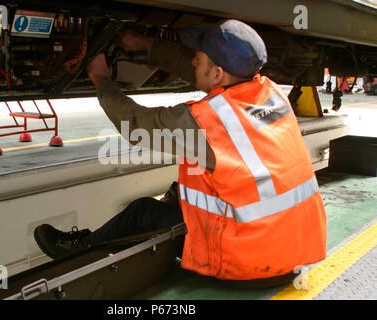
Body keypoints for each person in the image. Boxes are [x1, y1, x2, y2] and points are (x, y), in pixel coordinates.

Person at [34, 20, 327, 289]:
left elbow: (135, 123)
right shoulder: (269, 91)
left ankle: (77, 251)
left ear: (217, 73)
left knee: (143, 212)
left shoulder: (205, 122)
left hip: (248, 265)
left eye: (197, 57)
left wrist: (101, 81)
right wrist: (148, 46)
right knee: (180, 194)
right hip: (292, 256)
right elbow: (201, 75)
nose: (191, 59)